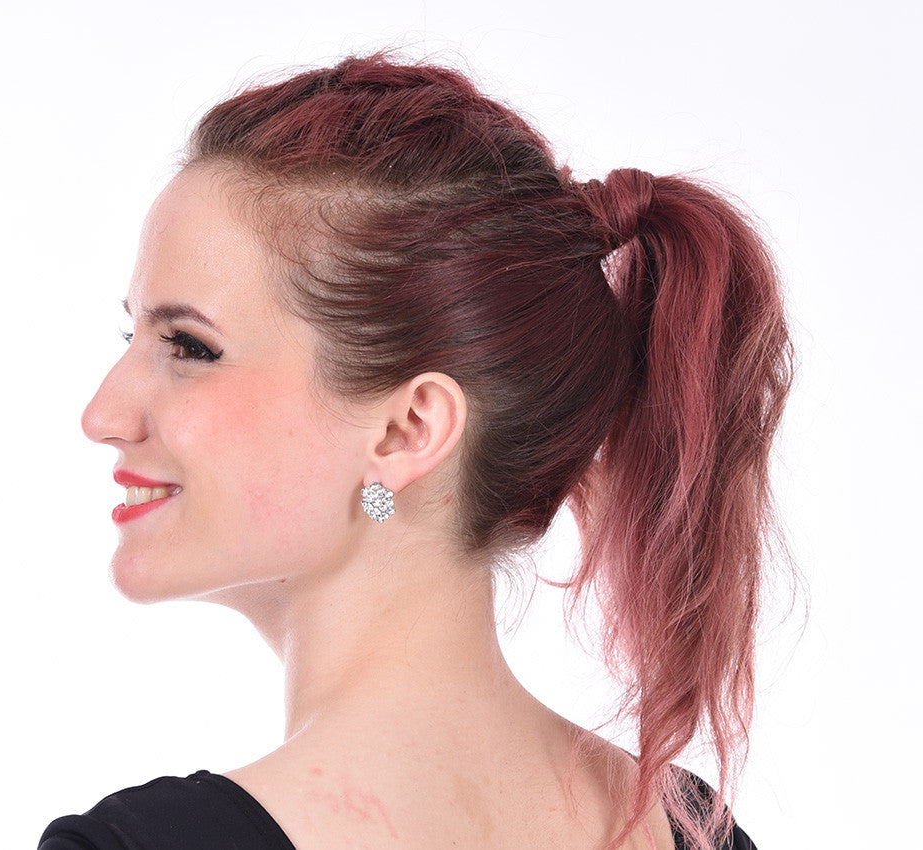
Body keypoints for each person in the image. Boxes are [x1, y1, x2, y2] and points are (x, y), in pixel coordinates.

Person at [39, 54, 791, 850]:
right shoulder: (697, 832)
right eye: (132, 334)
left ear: (408, 430)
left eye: (189, 347)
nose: (103, 415)